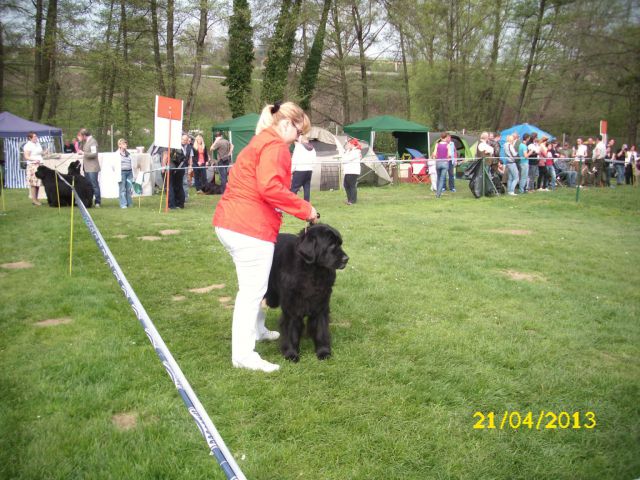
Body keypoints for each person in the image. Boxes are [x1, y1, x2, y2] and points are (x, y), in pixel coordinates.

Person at [213, 101, 318, 373]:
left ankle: (257, 330)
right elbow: (270, 187)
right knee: (251, 293)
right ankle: (244, 355)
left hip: (231, 222)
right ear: (287, 123)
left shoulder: (260, 142)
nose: (299, 139)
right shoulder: (275, 147)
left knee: (255, 288)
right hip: (249, 227)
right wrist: (306, 210)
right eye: (299, 132)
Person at [77, 128, 101, 207]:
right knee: (87, 185)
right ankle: (88, 201)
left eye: (81, 136)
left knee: (94, 184)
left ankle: (97, 201)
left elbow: (94, 154)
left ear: (84, 135)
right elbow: (80, 149)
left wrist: (84, 153)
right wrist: (80, 141)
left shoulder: (93, 141)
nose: (80, 137)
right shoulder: (85, 141)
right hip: (86, 167)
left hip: (92, 167)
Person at [290, 135, 315, 201]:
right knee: (307, 187)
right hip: (309, 170)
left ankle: (291, 202)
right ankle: (307, 202)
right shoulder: (312, 148)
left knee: (294, 188)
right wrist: (312, 168)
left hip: (300, 170)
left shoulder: (299, 147)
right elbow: (314, 160)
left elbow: (295, 159)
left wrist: (291, 170)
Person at [23, 132, 45, 206]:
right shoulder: (27, 146)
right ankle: (34, 200)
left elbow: (40, 153)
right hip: (32, 165)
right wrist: (33, 160)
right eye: (34, 137)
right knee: (33, 183)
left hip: (39, 164)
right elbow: (26, 156)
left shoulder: (37, 144)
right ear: (30, 138)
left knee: (38, 183)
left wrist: (45, 152)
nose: (36, 138)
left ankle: (36, 199)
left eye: (36, 136)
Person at [342, 138, 362, 204]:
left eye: (349, 144)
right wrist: (347, 151)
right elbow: (344, 158)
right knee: (346, 185)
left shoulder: (356, 151)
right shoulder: (349, 151)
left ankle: (353, 201)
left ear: (352, 144)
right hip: (348, 171)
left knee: (352, 186)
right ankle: (349, 199)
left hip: (353, 171)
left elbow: (346, 159)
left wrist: (344, 158)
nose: (347, 145)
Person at [432, 133, 451, 198]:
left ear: (440, 137)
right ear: (446, 138)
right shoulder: (448, 145)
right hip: (445, 163)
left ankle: (437, 193)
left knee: (438, 178)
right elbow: (449, 155)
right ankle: (438, 195)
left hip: (438, 162)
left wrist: (435, 158)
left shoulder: (437, 144)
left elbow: (434, 154)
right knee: (442, 179)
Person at [117, 138, 133, 208]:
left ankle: (129, 203)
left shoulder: (128, 153)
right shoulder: (116, 154)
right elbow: (113, 165)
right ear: (120, 145)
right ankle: (123, 204)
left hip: (129, 172)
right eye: (124, 144)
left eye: (126, 143)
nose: (125, 145)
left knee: (129, 189)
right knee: (122, 189)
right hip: (122, 173)